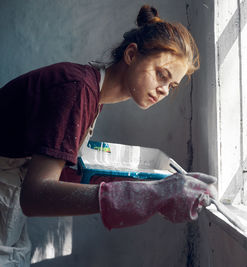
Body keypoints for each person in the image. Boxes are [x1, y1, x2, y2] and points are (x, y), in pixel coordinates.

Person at [0, 5, 216, 266]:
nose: (164, 91)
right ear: (131, 54)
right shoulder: (78, 90)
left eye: (172, 85)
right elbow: (35, 197)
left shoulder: (92, 94)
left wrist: (140, 182)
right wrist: (144, 195)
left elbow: (48, 166)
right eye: (161, 75)